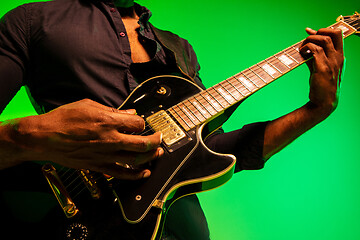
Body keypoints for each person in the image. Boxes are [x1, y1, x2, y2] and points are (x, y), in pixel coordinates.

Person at [0, 0, 344, 239]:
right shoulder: (32, 22)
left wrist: (317, 109)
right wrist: (28, 134)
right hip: (64, 216)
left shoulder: (177, 48)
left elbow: (211, 151)